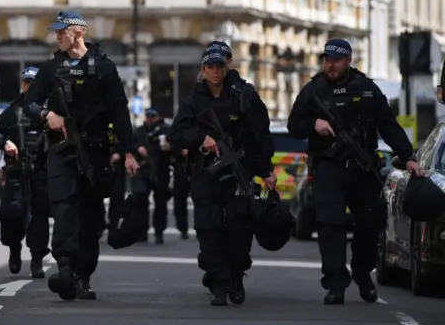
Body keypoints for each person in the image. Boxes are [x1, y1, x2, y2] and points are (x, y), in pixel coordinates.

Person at [287, 38, 424, 305]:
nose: (330, 65)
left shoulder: (367, 89)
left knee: (369, 224)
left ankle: (362, 273)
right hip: (328, 167)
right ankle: (336, 283)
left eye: (336, 60)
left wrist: (408, 157)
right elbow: (294, 125)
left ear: (348, 60)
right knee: (329, 224)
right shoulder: (313, 90)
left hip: (362, 170)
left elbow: (388, 125)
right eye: (327, 60)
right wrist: (313, 123)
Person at [21, 11, 139, 300]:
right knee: (64, 209)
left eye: (63, 31)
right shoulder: (51, 69)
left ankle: (82, 276)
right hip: (62, 151)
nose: (58, 36)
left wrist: (128, 152)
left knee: (90, 217)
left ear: (79, 33)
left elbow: (120, 112)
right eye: (56, 32)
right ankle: (63, 266)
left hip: (96, 153)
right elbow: (29, 103)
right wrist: (47, 114)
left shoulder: (104, 68)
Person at [168, 49, 276, 306]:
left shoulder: (244, 95)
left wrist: (265, 171)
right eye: (209, 67)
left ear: (227, 65)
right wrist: (199, 138)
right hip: (206, 172)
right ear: (203, 69)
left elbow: (260, 135)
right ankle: (218, 281)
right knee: (208, 228)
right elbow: (177, 134)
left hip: (239, 171)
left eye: (219, 66)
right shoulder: (195, 99)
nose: (214, 72)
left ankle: (236, 277)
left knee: (239, 227)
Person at [0, 66, 51, 278]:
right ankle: (14, 246)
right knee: (10, 215)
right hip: (17, 171)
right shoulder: (12, 111)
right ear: (22, 85)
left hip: (42, 170)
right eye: (27, 82)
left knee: (39, 218)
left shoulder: (50, 110)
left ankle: (36, 260)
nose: (30, 86)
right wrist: (5, 142)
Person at [132, 108, 172, 244]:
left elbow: (174, 147)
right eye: (147, 116)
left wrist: (168, 148)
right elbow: (131, 145)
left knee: (160, 203)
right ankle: (142, 231)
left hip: (161, 169)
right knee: (140, 199)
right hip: (143, 170)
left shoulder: (165, 130)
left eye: (152, 117)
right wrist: (138, 148)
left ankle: (159, 232)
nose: (149, 119)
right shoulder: (139, 131)